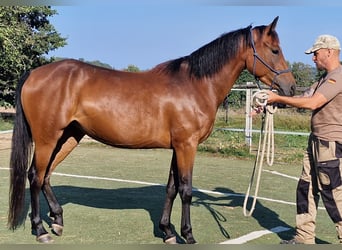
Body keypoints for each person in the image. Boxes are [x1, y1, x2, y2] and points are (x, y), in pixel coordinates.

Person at [266, 34, 342, 244]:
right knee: (305, 188)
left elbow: (312, 103)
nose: (313, 58)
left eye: (316, 54)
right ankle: (304, 237)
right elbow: (304, 97)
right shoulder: (324, 79)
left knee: (333, 194)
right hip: (316, 141)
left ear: (329, 51)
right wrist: (270, 102)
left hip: (330, 143)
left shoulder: (339, 76)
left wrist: (277, 97)